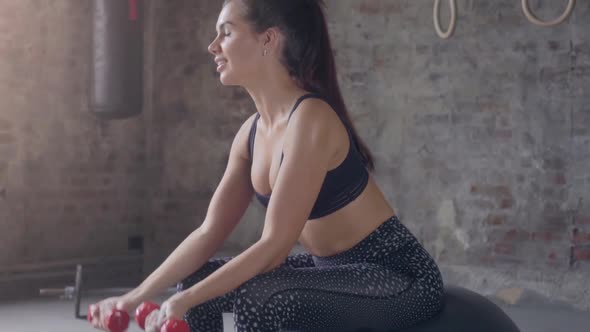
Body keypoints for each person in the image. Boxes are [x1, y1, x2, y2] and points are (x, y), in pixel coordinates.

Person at [90, 0, 445, 331]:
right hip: (331, 271)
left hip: (394, 273)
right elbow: (208, 233)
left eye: (226, 32)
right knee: (197, 279)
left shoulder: (310, 119)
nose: (213, 46)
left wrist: (183, 302)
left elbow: (275, 246)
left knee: (260, 299)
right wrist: (135, 296)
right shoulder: (250, 134)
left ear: (268, 41)